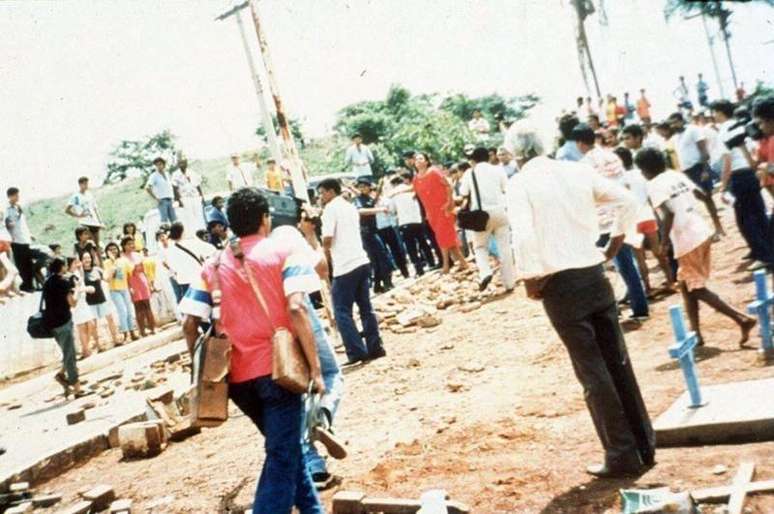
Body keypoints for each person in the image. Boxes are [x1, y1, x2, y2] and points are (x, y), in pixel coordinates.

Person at [505, 124, 655, 478]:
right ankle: (643, 446)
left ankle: (620, 453)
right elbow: (628, 200)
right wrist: (616, 240)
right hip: (594, 275)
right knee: (617, 361)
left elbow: (524, 237)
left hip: (560, 284)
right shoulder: (576, 170)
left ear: (514, 151)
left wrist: (529, 278)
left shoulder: (519, 185)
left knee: (592, 371)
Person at [179, 187, 325, 513]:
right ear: (265, 218)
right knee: (282, 452)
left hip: (236, 381)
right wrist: (316, 370)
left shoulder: (212, 264)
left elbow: (189, 324)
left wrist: (200, 370)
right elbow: (299, 308)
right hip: (279, 373)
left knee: (285, 447)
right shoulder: (283, 252)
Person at [636, 148, 757, 347]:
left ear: (645, 169)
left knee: (696, 288)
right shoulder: (675, 174)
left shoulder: (654, 185)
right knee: (687, 287)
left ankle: (741, 319)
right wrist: (715, 221)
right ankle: (696, 333)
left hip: (687, 240)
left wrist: (664, 243)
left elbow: (668, 214)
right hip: (701, 231)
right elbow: (703, 194)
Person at [574, 124, 650, 321]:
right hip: (621, 214)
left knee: (607, 267)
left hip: (604, 221)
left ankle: (621, 309)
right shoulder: (612, 156)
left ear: (580, 143)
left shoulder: (583, 165)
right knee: (626, 264)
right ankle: (637, 306)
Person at [318, 178, 387, 365]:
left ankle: (356, 351)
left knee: (341, 311)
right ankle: (375, 346)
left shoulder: (330, 209)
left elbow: (327, 239)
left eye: (322, 192)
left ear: (331, 192)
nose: (320, 197)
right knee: (366, 307)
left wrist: (326, 256)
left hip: (344, 265)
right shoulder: (349, 206)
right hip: (360, 260)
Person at [712, 100, 773, 271]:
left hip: (739, 177)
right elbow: (756, 162)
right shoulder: (757, 135)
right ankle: (764, 253)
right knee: (761, 218)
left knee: (746, 218)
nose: (758, 127)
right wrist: (743, 147)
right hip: (749, 175)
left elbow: (728, 159)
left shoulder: (726, 130)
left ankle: (764, 255)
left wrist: (723, 185)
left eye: (760, 122)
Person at [614, 147, 674, 293]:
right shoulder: (640, 174)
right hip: (647, 215)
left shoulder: (619, 179)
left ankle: (647, 287)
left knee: (639, 257)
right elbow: (650, 196)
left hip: (632, 220)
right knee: (657, 251)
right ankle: (671, 280)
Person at [459, 147, 515, 292]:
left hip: (481, 215)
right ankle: (509, 283)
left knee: (480, 247)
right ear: (489, 157)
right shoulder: (498, 170)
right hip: (500, 212)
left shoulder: (469, 173)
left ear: (474, 159)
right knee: (505, 248)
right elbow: (505, 189)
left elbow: (463, 193)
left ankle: (485, 272)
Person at [667, 112, 724, 238]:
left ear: (682, 121)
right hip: (686, 172)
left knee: (707, 198)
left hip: (698, 168)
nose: (673, 125)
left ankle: (718, 227)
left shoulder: (693, 130)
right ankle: (707, 230)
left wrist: (705, 170)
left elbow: (704, 151)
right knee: (695, 200)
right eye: (671, 123)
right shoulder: (675, 137)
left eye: (675, 122)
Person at [411, 153, 468, 274]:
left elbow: (448, 186)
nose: (418, 161)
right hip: (431, 213)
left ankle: (446, 265)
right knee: (447, 238)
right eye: (416, 159)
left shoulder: (434, 172)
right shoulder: (415, 179)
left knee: (443, 237)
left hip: (443, 209)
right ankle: (463, 263)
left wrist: (449, 203)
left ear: (427, 161)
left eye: (421, 158)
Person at [43, 257, 85, 398]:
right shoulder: (63, 282)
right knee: (70, 355)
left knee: (68, 353)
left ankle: (62, 375)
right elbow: (72, 303)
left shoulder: (47, 282)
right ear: (62, 267)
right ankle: (77, 388)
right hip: (63, 322)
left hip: (52, 324)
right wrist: (78, 291)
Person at [352, 178, 394, 292]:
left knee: (380, 258)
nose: (362, 188)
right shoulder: (358, 199)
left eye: (365, 186)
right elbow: (360, 211)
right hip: (366, 233)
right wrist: (379, 210)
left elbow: (373, 201)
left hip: (372, 231)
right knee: (380, 258)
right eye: (360, 187)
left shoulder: (368, 198)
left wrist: (380, 186)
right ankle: (383, 283)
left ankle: (380, 284)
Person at [388, 173, 433, 277]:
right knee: (423, 242)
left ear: (393, 184)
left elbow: (392, 210)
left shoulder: (393, 194)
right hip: (416, 220)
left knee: (411, 247)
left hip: (404, 222)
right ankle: (431, 262)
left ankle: (419, 268)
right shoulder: (410, 189)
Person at [165, 221, 216, 302]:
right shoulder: (192, 242)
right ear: (182, 232)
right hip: (199, 280)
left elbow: (173, 267)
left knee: (193, 310)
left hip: (184, 283)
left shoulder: (169, 250)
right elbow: (212, 250)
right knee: (205, 305)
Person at [82, 251, 121, 346]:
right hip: (90, 302)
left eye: (89, 258)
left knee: (110, 319)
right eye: (85, 258)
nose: (87, 260)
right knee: (94, 325)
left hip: (102, 299)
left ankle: (116, 339)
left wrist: (113, 265)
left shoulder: (97, 269)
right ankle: (99, 345)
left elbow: (107, 279)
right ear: (81, 260)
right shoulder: (81, 273)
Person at [121, 235, 156, 337]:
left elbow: (144, 269)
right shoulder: (122, 257)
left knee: (147, 305)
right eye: (128, 244)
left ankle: (152, 327)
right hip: (131, 282)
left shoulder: (138, 255)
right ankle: (142, 331)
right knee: (138, 307)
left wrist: (150, 283)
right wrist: (129, 287)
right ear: (123, 246)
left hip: (142, 281)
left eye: (132, 243)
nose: (131, 245)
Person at [104, 242, 138, 342]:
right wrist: (113, 262)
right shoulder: (107, 263)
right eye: (110, 250)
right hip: (114, 290)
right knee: (122, 311)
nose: (113, 251)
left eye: (114, 249)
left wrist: (132, 287)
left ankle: (132, 331)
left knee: (129, 310)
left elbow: (130, 273)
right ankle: (125, 333)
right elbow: (108, 278)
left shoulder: (123, 260)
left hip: (125, 288)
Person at [67, 257, 100, 358]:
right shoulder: (69, 277)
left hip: (83, 302)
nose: (78, 264)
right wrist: (86, 289)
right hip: (77, 304)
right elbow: (74, 290)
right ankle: (86, 349)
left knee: (90, 324)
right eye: (75, 263)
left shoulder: (77, 273)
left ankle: (86, 348)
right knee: (82, 327)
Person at [4, 187, 35, 292]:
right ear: (10, 196)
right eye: (16, 195)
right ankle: (25, 286)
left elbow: (23, 223)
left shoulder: (18, 207)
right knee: (21, 264)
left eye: (18, 195)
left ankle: (30, 285)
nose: (18, 197)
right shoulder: (6, 209)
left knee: (29, 263)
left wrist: (29, 234)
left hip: (25, 238)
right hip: (16, 240)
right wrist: (9, 225)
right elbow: (5, 223)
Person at [65, 177, 104, 248]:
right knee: (91, 244)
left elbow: (95, 209)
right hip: (85, 222)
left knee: (97, 244)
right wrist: (78, 215)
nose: (86, 185)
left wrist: (100, 222)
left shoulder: (89, 194)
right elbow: (67, 210)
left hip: (94, 222)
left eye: (87, 184)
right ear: (80, 184)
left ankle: (100, 259)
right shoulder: (75, 196)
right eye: (85, 184)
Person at [172, 158, 205, 233]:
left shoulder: (192, 173)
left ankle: (202, 231)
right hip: (184, 197)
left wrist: (202, 197)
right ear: (178, 164)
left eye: (183, 163)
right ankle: (193, 233)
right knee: (189, 216)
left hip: (195, 196)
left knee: (199, 215)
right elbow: (174, 188)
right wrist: (178, 200)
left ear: (186, 163)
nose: (182, 165)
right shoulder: (175, 174)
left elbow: (198, 185)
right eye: (180, 163)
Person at [145, 157, 177, 224]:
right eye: (157, 165)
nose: (158, 166)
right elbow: (147, 188)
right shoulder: (154, 176)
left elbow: (171, 186)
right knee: (164, 220)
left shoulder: (167, 174)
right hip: (162, 200)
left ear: (164, 165)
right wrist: (156, 198)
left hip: (170, 199)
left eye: (160, 164)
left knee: (174, 220)